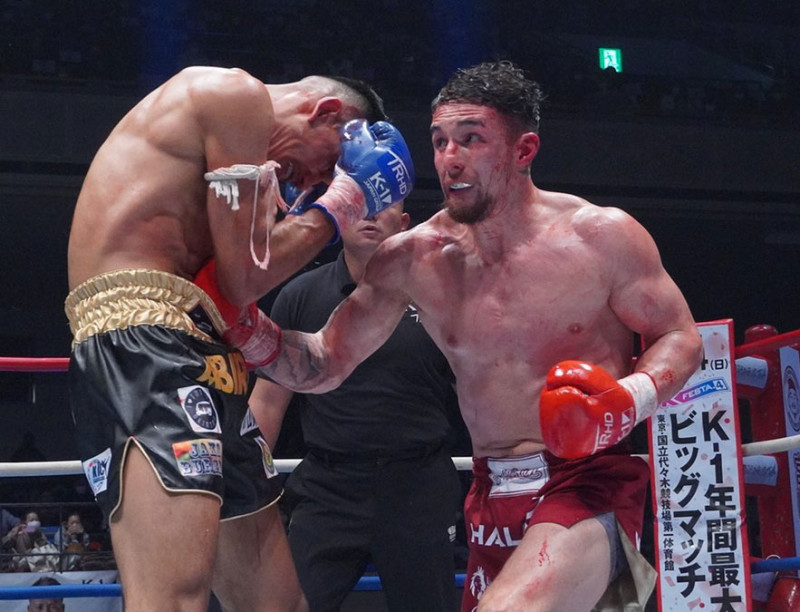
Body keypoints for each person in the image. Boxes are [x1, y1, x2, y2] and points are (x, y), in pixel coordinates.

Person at [221, 61, 703, 611]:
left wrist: (628, 398)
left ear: (523, 151)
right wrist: (245, 327)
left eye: (471, 139)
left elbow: (679, 336)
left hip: (588, 481)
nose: (450, 159)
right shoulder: (414, 258)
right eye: (439, 141)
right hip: (490, 493)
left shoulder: (601, 237)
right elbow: (324, 362)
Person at [65, 65, 413, 612]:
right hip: (144, 340)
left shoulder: (248, 167)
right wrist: (344, 200)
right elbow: (247, 277)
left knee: (276, 604)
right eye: (326, 167)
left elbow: (234, 291)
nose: (310, 185)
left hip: (204, 348)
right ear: (326, 114)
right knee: (173, 598)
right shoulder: (236, 96)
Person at [251, 200, 462, 611]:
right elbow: (269, 403)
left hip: (418, 486)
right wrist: (249, 488)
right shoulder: (301, 295)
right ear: (340, 219)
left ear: (404, 222)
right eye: (362, 202)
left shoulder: (438, 295)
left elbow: (474, 388)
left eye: (384, 204)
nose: (370, 213)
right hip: (328, 488)